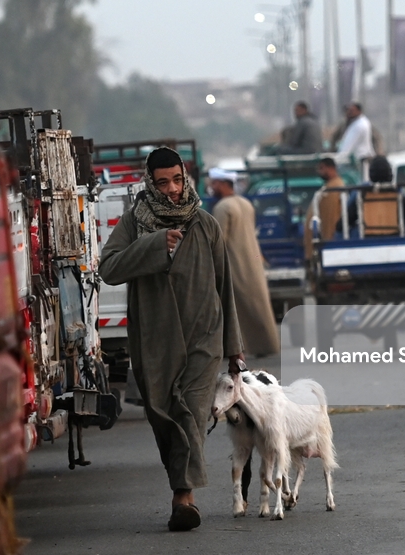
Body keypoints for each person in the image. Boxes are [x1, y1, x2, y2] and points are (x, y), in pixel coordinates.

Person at [100, 147, 244, 532]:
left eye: (177, 180)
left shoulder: (206, 224)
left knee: (192, 414)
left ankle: (184, 497)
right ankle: (181, 487)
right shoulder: (135, 223)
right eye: (163, 183)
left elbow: (225, 286)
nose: (173, 189)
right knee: (163, 415)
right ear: (150, 183)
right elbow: (108, 268)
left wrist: (234, 348)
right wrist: (154, 245)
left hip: (203, 337)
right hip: (155, 339)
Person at [208, 167, 280, 358]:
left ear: (223, 184)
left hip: (235, 265)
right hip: (253, 264)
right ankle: (267, 345)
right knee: (258, 306)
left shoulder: (223, 207)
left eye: (214, 183)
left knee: (237, 309)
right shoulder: (246, 203)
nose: (212, 187)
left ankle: (240, 349)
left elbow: (219, 241)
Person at [347, 154, 405, 237]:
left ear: (370, 175)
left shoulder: (362, 195)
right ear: (390, 174)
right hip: (394, 239)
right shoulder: (399, 195)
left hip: (369, 240)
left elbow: (343, 223)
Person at [303, 157, 346, 260]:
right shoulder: (328, 188)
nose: (319, 172)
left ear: (331, 168)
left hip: (329, 246)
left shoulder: (336, 188)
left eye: (322, 168)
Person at [335, 102, 376, 175]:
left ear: (359, 111)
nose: (349, 112)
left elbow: (347, 147)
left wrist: (338, 162)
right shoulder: (355, 123)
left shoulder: (359, 125)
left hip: (359, 161)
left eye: (352, 110)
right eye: (348, 110)